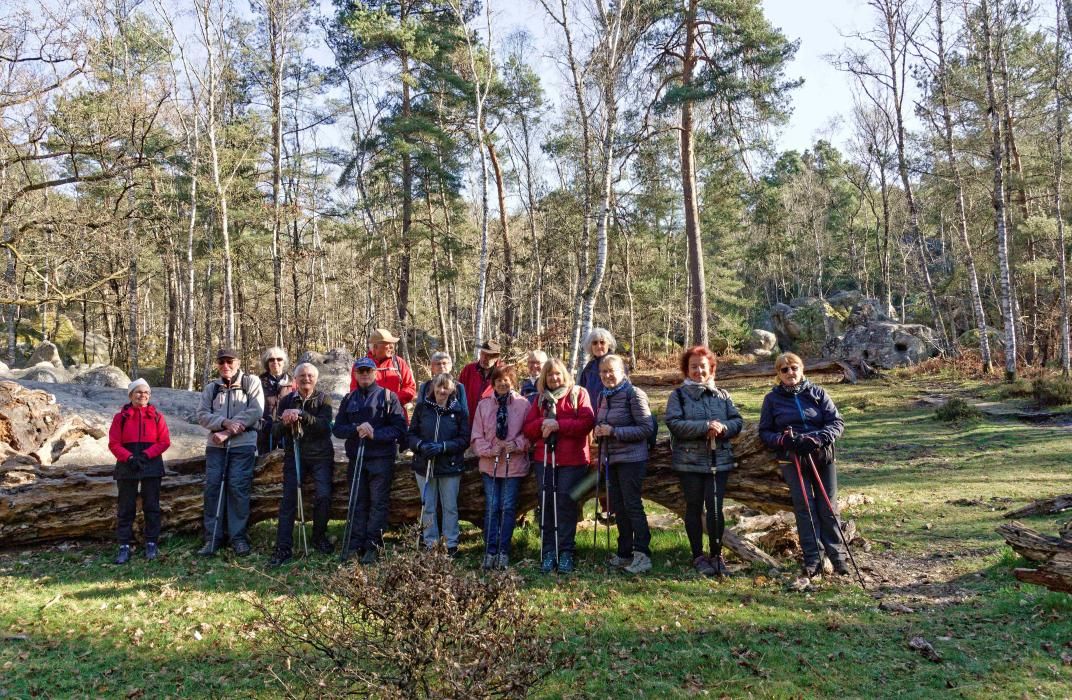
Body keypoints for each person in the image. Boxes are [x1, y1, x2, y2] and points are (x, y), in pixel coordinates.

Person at [758, 352, 848, 578]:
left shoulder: (818, 393)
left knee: (828, 507)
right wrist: (783, 441)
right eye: (784, 370)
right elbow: (765, 432)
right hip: (792, 459)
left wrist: (817, 438)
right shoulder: (772, 399)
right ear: (778, 374)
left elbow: (837, 423)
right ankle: (812, 560)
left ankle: (838, 558)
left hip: (822, 456)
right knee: (805, 508)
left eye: (794, 367)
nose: (790, 373)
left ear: (802, 369)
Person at [665, 345, 743, 577]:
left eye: (703, 366)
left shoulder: (723, 395)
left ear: (711, 369)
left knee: (716, 510)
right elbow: (674, 423)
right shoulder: (678, 395)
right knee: (694, 508)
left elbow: (737, 421)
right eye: (694, 367)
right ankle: (698, 555)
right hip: (689, 461)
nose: (699, 371)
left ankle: (717, 555)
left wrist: (723, 427)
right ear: (686, 369)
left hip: (719, 459)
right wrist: (704, 427)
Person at [523, 358, 594, 574]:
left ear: (564, 375)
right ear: (544, 378)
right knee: (546, 506)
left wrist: (558, 425)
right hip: (544, 459)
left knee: (565, 505)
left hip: (572, 460)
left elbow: (587, 422)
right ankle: (548, 552)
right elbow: (528, 429)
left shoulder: (578, 394)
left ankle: (566, 552)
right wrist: (543, 424)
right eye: (550, 375)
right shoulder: (539, 400)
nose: (554, 378)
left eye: (558, 374)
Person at [333, 356, 408, 564]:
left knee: (378, 504)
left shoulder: (388, 396)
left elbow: (399, 429)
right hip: (356, 458)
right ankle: (355, 544)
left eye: (368, 371)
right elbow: (337, 429)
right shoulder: (349, 399)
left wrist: (375, 433)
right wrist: (356, 429)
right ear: (355, 374)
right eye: (361, 371)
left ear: (375, 373)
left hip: (381, 459)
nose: (365, 375)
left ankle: (373, 546)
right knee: (357, 502)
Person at [196, 348, 265, 557]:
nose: (225, 366)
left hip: (243, 444)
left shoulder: (250, 382)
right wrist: (224, 423)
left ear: (237, 362)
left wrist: (228, 432)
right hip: (216, 446)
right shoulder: (211, 388)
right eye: (221, 362)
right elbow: (201, 415)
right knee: (213, 488)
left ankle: (238, 538)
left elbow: (255, 411)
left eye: (229, 361)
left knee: (238, 487)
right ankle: (213, 538)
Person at [592, 355, 655, 574]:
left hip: (632, 459)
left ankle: (642, 554)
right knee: (618, 507)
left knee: (632, 506)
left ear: (622, 372)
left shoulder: (634, 394)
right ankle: (624, 553)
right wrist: (599, 431)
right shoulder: (603, 396)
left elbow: (647, 429)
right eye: (603, 372)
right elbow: (602, 422)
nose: (607, 375)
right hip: (611, 458)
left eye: (611, 371)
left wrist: (614, 431)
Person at [269, 363, 335, 567]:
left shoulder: (324, 399)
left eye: (310, 375)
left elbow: (325, 428)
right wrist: (285, 422)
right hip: (294, 454)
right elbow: (274, 431)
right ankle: (283, 547)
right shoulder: (287, 400)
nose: (306, 379)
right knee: (288, 499)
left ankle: (319, 537)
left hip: (320, 456)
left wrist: (302, 416)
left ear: (315, 379)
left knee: (323, 495)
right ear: (295, 380)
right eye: (302, 376)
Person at [470, 365, 531, 570]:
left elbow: (530, 434)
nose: (503, 384)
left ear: (513, 381)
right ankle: (490, 550)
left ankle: (504, 551)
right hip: (490, 465)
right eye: (499, 381)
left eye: (507, 380)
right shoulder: (484, 405)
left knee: (507, 508)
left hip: (513, 465)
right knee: (492, 507)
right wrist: (489, 449)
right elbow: (476, 437)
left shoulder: (523, 404)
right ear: (493, 383)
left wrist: (517, 444)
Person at [107, 378, 171, 564]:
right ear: (130, 395)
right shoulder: (121, 418)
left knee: (152, 505)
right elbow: (114, 443)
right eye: (138, 392)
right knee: (126, 507)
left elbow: (164, 441)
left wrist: (145, 455)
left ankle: (151, 542)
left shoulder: (157, 416)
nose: (142, 395)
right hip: (127, 464)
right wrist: (129, 457)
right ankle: (124, 545)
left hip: (151, 463)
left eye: (146, 393)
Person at [407, 373, 470, 555]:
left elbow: (464, 439)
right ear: (433, 387)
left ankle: (451, 543)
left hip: (449, 465)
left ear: (452, 389)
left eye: (446, 387)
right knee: (428, 505)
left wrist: (443, 447)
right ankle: (430, 543)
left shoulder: (458, 411)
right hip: (424, 464)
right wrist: (420, 445)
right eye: (439, 387)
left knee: (450, 506)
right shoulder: (422, 408)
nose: (442, 391)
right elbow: (411, 434)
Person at [349, 328, 418, 414]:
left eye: (391, 343)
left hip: (396, 416)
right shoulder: (361, 366)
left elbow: (410, 388)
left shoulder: (399, 363)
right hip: (370, 419)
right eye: (387, 343)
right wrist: (374, 402)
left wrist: (391, 399)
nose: (392, 346)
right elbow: (354, 392)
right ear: (375, 347)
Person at [257, 346, 291, 454]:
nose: (275, 362)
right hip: (265, 431)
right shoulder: (258, 382)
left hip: (287, 430)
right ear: (267, 363)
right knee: (264, 466)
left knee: (287, 463)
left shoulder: (293, 382)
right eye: (271, 359)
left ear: (284, 362)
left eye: (279, 359)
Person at [458, 339, 501, 417]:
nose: (484, 358)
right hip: (468, 419)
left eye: (488, 355)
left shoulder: (502, 373)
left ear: (496, 358)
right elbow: (458, 393)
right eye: (482, 353)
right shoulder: (468, 370)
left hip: (490, 422)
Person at [418, 351, 468, 416]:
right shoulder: (424, 387)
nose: (441, 366)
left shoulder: (459, 387)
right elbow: (418, 412)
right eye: (438, 364)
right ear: (432, 368)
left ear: (450, 367)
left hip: (452, 424)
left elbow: (464, 413)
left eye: (444, 363)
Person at [578, 328, 616, 406]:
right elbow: (581, 392)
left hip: (611, 413)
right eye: (595, 343)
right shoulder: (589, 367)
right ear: (590, 346)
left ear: (608, 344)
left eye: (602, 342)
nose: (599, 346)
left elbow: (625, 390)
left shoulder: (616, 364)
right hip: (591, 413)